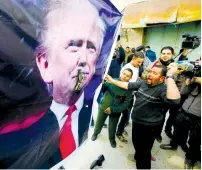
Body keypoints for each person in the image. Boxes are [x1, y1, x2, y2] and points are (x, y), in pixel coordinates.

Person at [0, 0, 107, 168]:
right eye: (74, 46)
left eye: (91, 48)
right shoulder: (13, 133)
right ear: (45, 64)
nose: (84, 60)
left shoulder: (88, 108)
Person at [105, 63, 181, 169]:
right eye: (150, 71)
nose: (150, 74)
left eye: (154, 73)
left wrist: (170, 76)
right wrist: (112, 80)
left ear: (162, 78)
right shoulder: (143, 83)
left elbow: (175, 101)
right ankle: (137, 156)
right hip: (137, 122)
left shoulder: (162, 89)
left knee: (144, 154)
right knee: (138, 146)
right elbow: (128, 85)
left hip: (149, 127)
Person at [160, 61, 201, 162]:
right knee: (178, 129)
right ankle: (173, 144)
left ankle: (188, 153)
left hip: (198, 115)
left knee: (194, 137)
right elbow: (183, 92)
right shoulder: (195, 78)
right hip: (184, 109)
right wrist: (188, 83)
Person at [91, 68, 133, 148]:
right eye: (124, 74)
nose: (125, 77)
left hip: (115, 111)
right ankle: (95, 133)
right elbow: (102, 83)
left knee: (113, 126)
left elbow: (126, 104)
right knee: (99, 122)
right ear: (121, 73)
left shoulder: (128, 89)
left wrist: (113, 109)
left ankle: (112, 139)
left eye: (128, 76)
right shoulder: (112, 81)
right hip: (104, 107)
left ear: (130, 78)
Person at [116, 52, 144, 143]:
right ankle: (119, 132)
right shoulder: (126, 68)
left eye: (141, 62)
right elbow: (122, 82)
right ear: (133, 58)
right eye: (139, 62)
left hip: (131, 94)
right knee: (125, 114)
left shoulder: (136, 67)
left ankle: (124, 124)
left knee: (127, 114)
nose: (140, 64)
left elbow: (134, 79)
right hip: (125, 95)